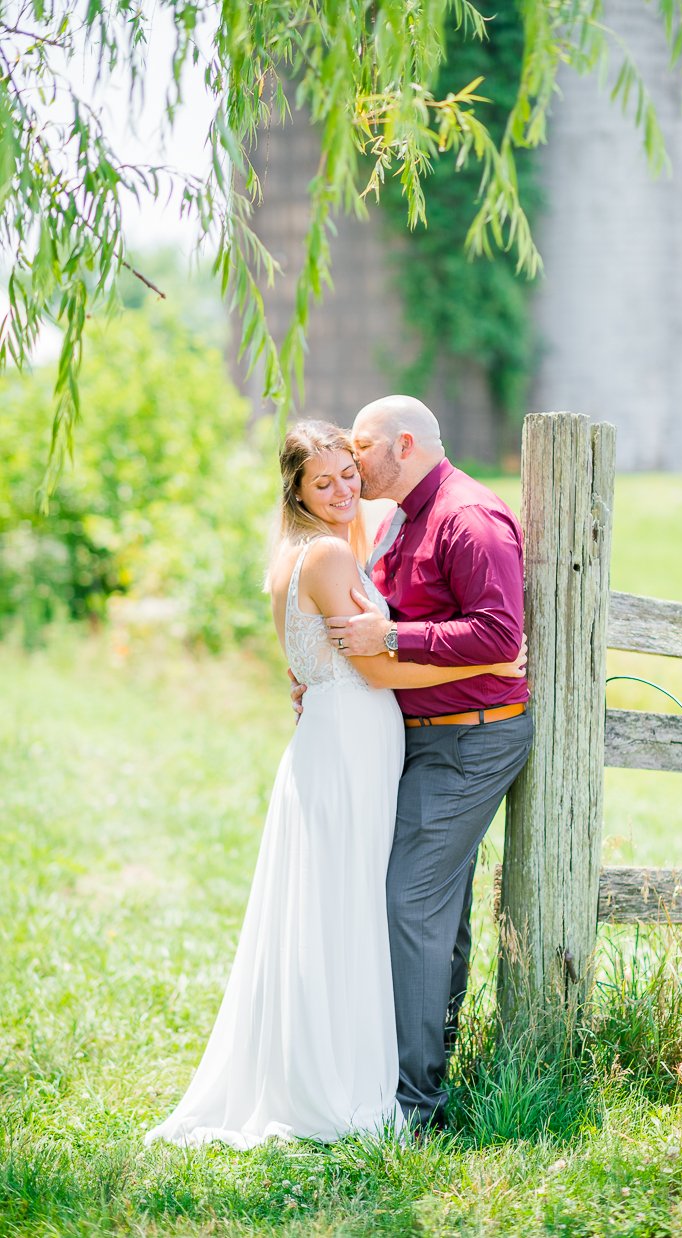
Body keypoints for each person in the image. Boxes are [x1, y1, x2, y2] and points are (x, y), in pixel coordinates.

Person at [145, 420, 526, 1149]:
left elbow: (310, 663)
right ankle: (356, 1079)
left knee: (347, 903)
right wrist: (495, 668)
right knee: (358, 903)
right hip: (352, 740)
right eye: (324, 482)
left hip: (349, 735)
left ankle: (371, 1064)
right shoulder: (323, 554)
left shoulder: (318, 549)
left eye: (349, 473)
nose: (344, 489)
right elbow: (376, 667)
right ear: (296, 491)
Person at [295, 395, 534, 1132]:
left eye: (359, 447)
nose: (350, 459)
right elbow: (373, 618)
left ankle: (415, 1105)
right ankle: (429, 1066)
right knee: (433, 912)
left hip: (470, 737)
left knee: (409, 903)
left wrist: (391, 642)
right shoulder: (400, 516)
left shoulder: (468, 516)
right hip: (419, 736)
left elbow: (499, 634)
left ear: (401, 444)